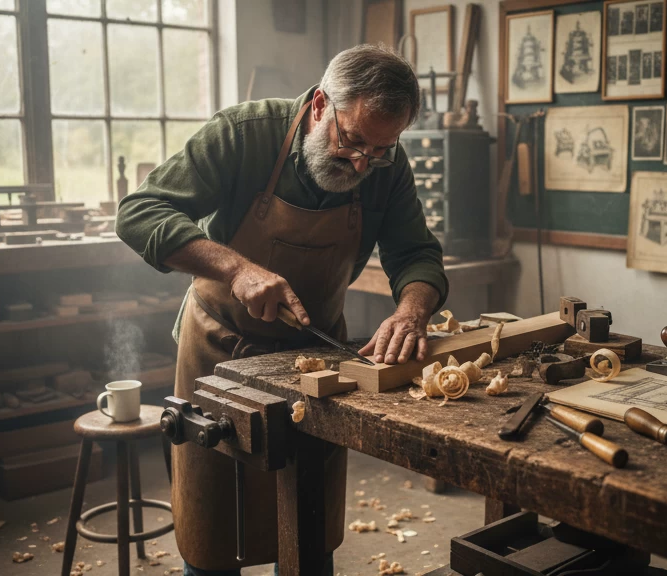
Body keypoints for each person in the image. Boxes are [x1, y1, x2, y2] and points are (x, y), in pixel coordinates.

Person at [115, 44, 449, 575]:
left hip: (313, 359)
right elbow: (138, 213)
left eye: (380, 150)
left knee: (310, 530)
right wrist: (236, 269)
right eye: (354, 141)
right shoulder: (244, 134)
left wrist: (412, 309)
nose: (363, 163)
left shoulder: (387, 165)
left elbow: (416, 253)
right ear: (320, 105)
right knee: (212, 532)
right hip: (218, 351)